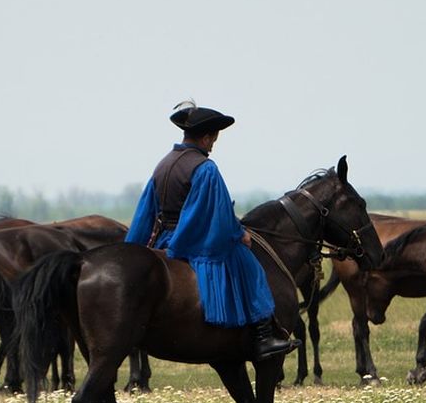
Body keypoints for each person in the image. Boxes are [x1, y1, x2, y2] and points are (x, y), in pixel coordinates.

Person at [125, 100, 298, 361]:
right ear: (206, 137)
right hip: (190, 239)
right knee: (250, 266)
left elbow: (144, 212)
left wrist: (134, 245)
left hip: (164, 238)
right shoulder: (206, 169)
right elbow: (213, 214)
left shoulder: (163, 164)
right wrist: (239, 234)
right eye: (214, 139)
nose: (213, 145)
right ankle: (264, 337)